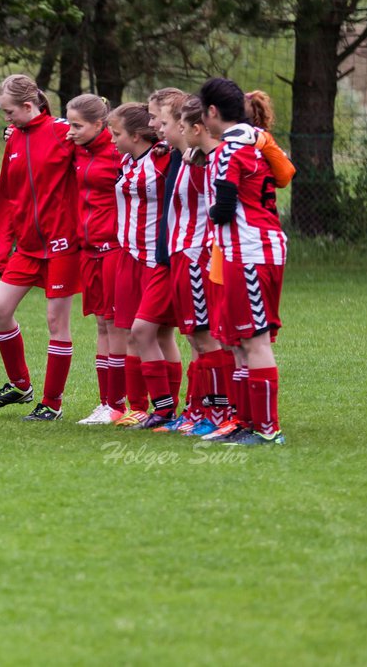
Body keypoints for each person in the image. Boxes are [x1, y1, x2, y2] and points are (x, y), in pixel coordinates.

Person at [0, 74, 80, 421]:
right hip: (26, 247)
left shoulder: (63, 132)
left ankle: (52, 404)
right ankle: (20, 385)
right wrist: (3, 247)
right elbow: (7, 197)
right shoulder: (14, 139)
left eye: (9, 112)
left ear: (28, 106)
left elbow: (102, 146)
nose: (5, 119)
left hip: (62, 245)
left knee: (57, 322)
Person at [199, 77, 289, 445]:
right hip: (245, 251)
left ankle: (268, 430)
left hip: (251, 251)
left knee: (254, 340)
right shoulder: (254, 143)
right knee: (238, 342)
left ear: (212, 112)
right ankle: (246, 423)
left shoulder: (229, 151)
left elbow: (222, 209)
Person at [152, 92, 235, 436]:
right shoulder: (184, 157)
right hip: (182, 253)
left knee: (206, 338)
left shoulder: (207, 160)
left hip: (197, 252)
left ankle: (219, 412)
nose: (158, 127)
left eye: (168, 123)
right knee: (195, 339)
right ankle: (199, 409)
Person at [108, 99, 182, 430]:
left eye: (117, 133)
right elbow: (88, 135)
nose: (112, 139)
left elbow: (182, 142)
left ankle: (168, 409)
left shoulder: (164, 159)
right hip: (128, 257)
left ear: (138, 135)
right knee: (129, 335)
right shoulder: (126, 160)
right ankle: (138, 408)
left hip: (156, 259)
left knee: (158, 333)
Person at [63, 93, 128, 425]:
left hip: (114, 251)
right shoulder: (77, 149)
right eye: (69, 123)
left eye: (77, 125)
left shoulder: (118, 152)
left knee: (117, 328)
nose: (70, 131)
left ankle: (119, 405)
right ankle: (106, 403)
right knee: (102, 326)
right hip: (88, 252)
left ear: (100, 125)